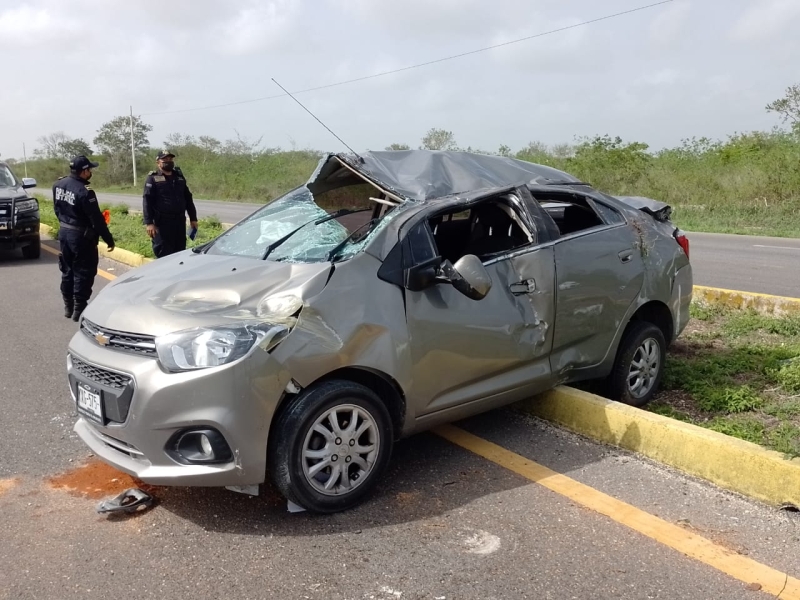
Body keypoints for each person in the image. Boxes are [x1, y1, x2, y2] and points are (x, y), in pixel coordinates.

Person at [53, 156, 115, 321]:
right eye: (90, 170)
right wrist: (108, 239)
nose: (91, 173)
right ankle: (79, 308)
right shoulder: (85, 192)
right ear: (84, 171)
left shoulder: (58, 185)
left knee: (67, 270)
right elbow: (97, 220)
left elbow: (57, 210)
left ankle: (68, 306)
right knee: (83, 272)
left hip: (64, 233)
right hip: (81, 237)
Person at [142, 151, 198, 258]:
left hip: (179, 222)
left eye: (170, 159)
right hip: (162, 223)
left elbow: (188, 198)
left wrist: (193, 218)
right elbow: (147, 200)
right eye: (165, 160)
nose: (168, 162)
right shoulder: (153, 178)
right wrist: (149, 223)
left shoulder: (179, 177)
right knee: (164, 254)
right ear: (158, 163)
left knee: (179, 253)